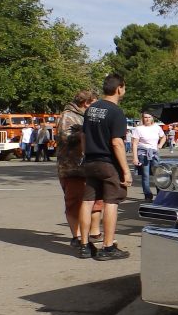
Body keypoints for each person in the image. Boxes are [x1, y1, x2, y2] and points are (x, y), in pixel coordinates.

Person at [78, 74, 133, 260]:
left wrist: (86, 155)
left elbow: (83, 136)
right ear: (119, 88)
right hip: (108, 164)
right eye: (124, 88)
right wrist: (126, 170)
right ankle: (107, 247)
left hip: (90, 161)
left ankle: (84, 245)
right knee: (111, 202)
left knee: (87, 202)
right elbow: (117, 142)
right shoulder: (116, 112)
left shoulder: (91, 108)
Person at [56, 90, 104, 248]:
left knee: (97, 200)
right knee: (74, 202)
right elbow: (64, 136)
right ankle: (76, 236)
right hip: (72, 167)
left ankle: (95, 232)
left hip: (90, 165)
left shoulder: (86, 116)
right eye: (94, 103)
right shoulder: (68, 115)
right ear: (86, 103)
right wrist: (86, 133)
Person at [132, 111, 166, 202]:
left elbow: (163, 137)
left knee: (158, 174)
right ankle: (148, 195)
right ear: (143, 118)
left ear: (152, 118)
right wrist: (135, 158)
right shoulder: (138, 129)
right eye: (145, 117)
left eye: (149, 117)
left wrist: (160, 145)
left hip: (154, 153)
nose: (147, 119)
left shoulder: (157, 127)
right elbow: (134, 144)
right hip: (143, 154)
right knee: (145, 175)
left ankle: (160, 194)